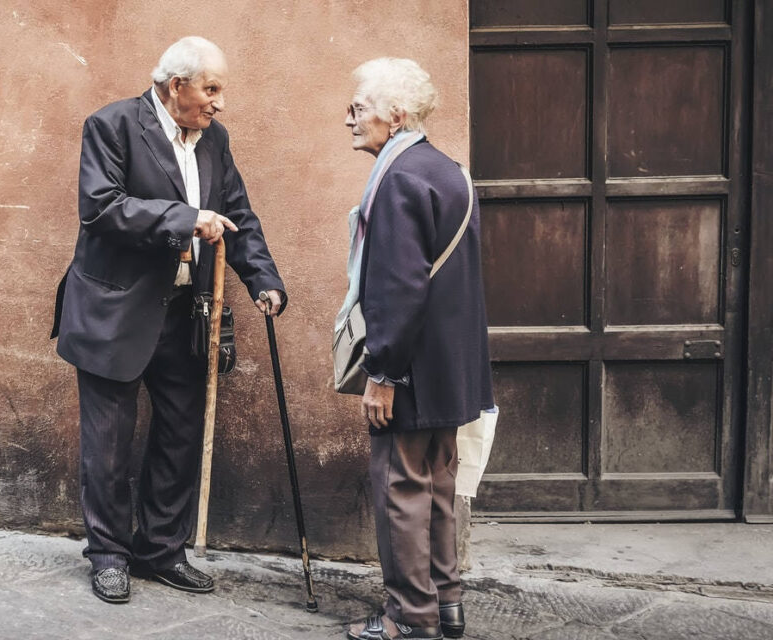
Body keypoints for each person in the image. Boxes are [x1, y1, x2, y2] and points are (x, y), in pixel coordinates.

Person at [50, 36, 287, 604]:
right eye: (211, 88)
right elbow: (102, 207)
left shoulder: (215, 140)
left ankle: (160, 549)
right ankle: (108, 554)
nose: (219, 102)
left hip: (185, 313)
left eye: (219, 90)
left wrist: (265, 280)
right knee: (107, 444)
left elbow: (237, 215)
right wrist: (185, 218)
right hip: (114, 312)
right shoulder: (111, 126)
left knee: (180, 436)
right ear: (175, 85)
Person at [339, 58, 494, 640]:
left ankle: (409, 618)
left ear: (395, 114)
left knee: (402, 487)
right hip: (450, 369)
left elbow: (399, 287)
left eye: (359, 108)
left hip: (410, 368)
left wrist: (382, 372)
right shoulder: (448, 169)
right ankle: (446, 605)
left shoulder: (399, 176)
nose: (349, 118)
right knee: (439, 486)